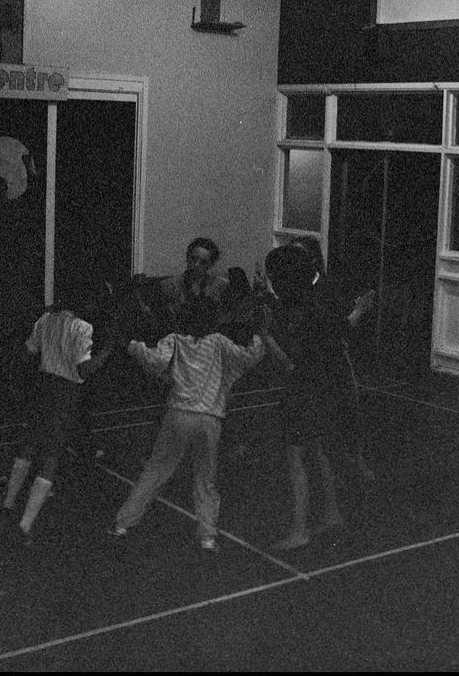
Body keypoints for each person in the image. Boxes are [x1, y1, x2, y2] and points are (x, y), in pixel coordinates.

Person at [107, 295, 267, 553]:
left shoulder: (175, 340)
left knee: (156, 470)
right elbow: (249, 358)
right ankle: (207, 537)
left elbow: (153, 360)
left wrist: (130, 344)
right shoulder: (218, 342)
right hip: (209, 419)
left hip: (179, 415)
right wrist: (259, 334)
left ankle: (122, 524)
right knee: (205, 479)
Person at [0, 278, 116, 544]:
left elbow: (29, 351)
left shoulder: (46, 319)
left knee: (29, 446)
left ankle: (8, 503)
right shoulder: (82, 327)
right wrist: (106, 353)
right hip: (64, 395)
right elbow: (82, 369)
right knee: (51, 458)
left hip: (42, 387)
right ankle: (25, 524)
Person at [263, 244, 360, 551]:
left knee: (296, 459)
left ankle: (299, 529)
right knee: (319, 452)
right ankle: (332, 513)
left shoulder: (297, 313)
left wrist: (265, 336)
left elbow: (291, 362)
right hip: (327, 388)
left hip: (304, 391)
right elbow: (343, 330)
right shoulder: (318, 304)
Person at [286, 237, 376, 480]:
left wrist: (357, 312)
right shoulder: (294, 290)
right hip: (308, 362)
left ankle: (355, 458)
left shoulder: (326, 288)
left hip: (333, 357)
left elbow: (341, 327)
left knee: (349, 408)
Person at [154, 237, 230, 328]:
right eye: (193, 259)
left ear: (210, 264)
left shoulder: (220, 286)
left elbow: (223, 321)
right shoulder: (169, 285)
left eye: (203, 262)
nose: (196, 265)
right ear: (187, 258)